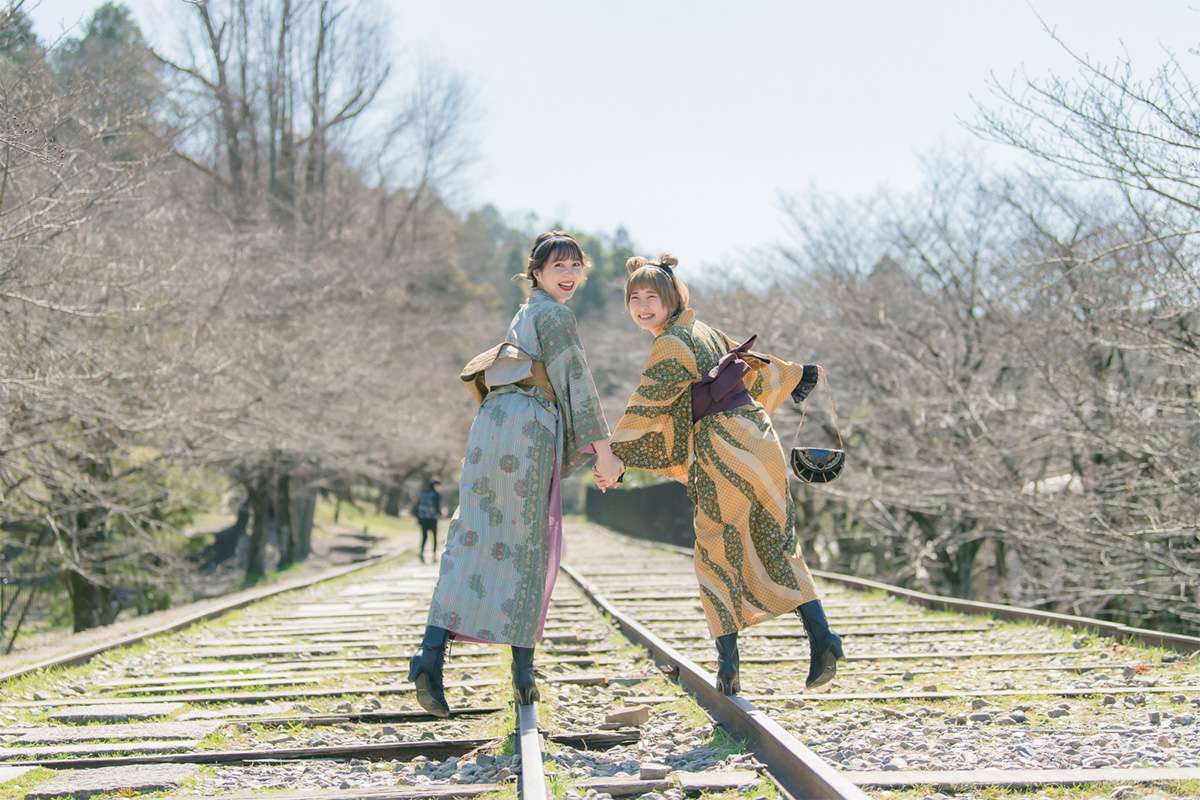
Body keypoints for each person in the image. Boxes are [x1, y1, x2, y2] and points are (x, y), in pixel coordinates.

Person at [598, 252, 842, 694]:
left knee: (716, 548)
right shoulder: (702, 329)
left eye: (652, 296)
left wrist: (614, 453)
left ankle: (728, 665)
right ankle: (823, 637)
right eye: (634, 298)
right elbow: (754, 366)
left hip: (722, 446)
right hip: (760, 440)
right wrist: (796, 374)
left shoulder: (670, 341)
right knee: (777, 538)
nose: (642, 306)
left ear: (673, 298)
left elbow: (648, 403)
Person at [408, 231, 624, 716]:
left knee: (472, 536)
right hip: (527, 432)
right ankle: (523, 674)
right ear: (537, 273)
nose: (568, 275)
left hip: (490, 428)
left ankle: (430, 653)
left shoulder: (525, 314)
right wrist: (604, 453)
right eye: (558, 267)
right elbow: (578, 383)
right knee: (528, 546)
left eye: (575, 266)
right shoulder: (555, 315)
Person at [413, 479, 443, 563]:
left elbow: (418, 505)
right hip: (432, 518)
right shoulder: (435, 494)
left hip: (423, 518)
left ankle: (421, 553)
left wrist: (418, 517)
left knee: (424, 536)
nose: (439, 488)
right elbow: (436, 507)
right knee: (434, 537)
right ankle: (434, 556)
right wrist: (440, 513)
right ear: (435, 485)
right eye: (438, 486)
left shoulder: (423, 493)